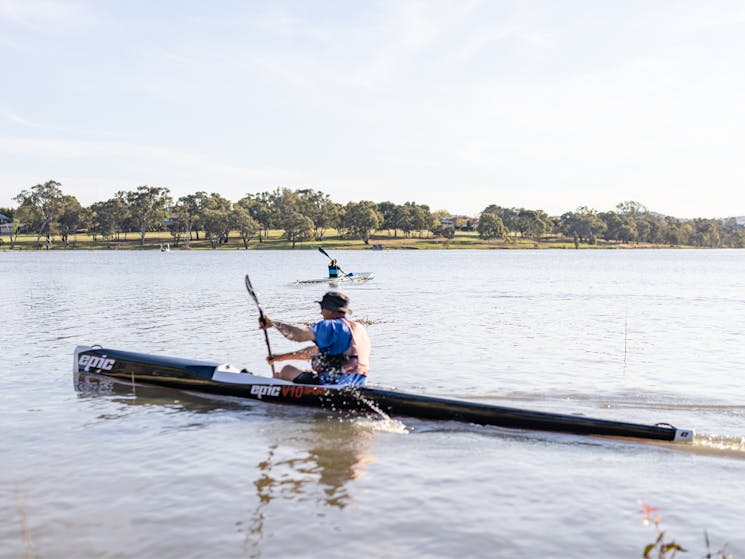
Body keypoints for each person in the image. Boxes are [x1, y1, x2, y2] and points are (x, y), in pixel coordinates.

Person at [259, 291, 370, 386]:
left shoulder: (330, 325)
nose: (320, 312)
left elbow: (298, 335)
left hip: (332, 385)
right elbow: (312, 352)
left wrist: (273, 323)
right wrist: (280, 357)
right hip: (356, 383)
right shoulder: (358, 328)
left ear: (329, 310)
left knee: (286, 370)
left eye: (322, 308)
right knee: (297, 373)